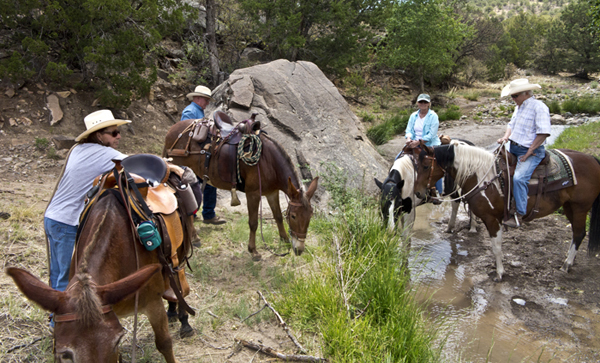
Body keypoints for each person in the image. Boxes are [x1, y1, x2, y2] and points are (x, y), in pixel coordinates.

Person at [44, 109, 129, 326]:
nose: (119, 136)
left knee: (58, 272)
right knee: (66, 276)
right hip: (66, 221)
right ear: (99, 136)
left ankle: (56, 318)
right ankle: (62, 325)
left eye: (118, 132)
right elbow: (134, 164)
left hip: (54, 217)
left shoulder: (79, 149)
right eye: (114, 133)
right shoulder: (102, 154)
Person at [497, 79, 551, 228]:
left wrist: (529, 152)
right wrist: (505, 137)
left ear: (526, 93)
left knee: (519, 179)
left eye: (515, 96)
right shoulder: (518, 107)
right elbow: (511, 125)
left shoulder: (539, 107)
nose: (513, 99)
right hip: (514, 147)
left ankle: (519, 213)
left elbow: (543, 132)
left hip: (531, 151)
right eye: (512, 96)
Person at [181, 85, 226, 225]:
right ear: (198, 98)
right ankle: (198, 215)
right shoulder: (189, 112)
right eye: (205, 100)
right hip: (194, 157)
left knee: (208, 183)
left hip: (200, 156)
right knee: (197, 184)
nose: (207, 103)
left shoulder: (197, 111)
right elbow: (187, 136)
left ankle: (206, 214)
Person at [400, 93, 443, 200]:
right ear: (417, 103)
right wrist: (408, 139)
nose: (423, 104)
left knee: (434, 165)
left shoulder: (433, 116)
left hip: (429, 144)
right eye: (421, 102)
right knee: (398, 158)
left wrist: (418, 142)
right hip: (414, 143)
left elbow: (431, 135)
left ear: (429, 103)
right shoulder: (413, 115)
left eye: (425, 102)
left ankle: (438, 192)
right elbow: (409, 129)